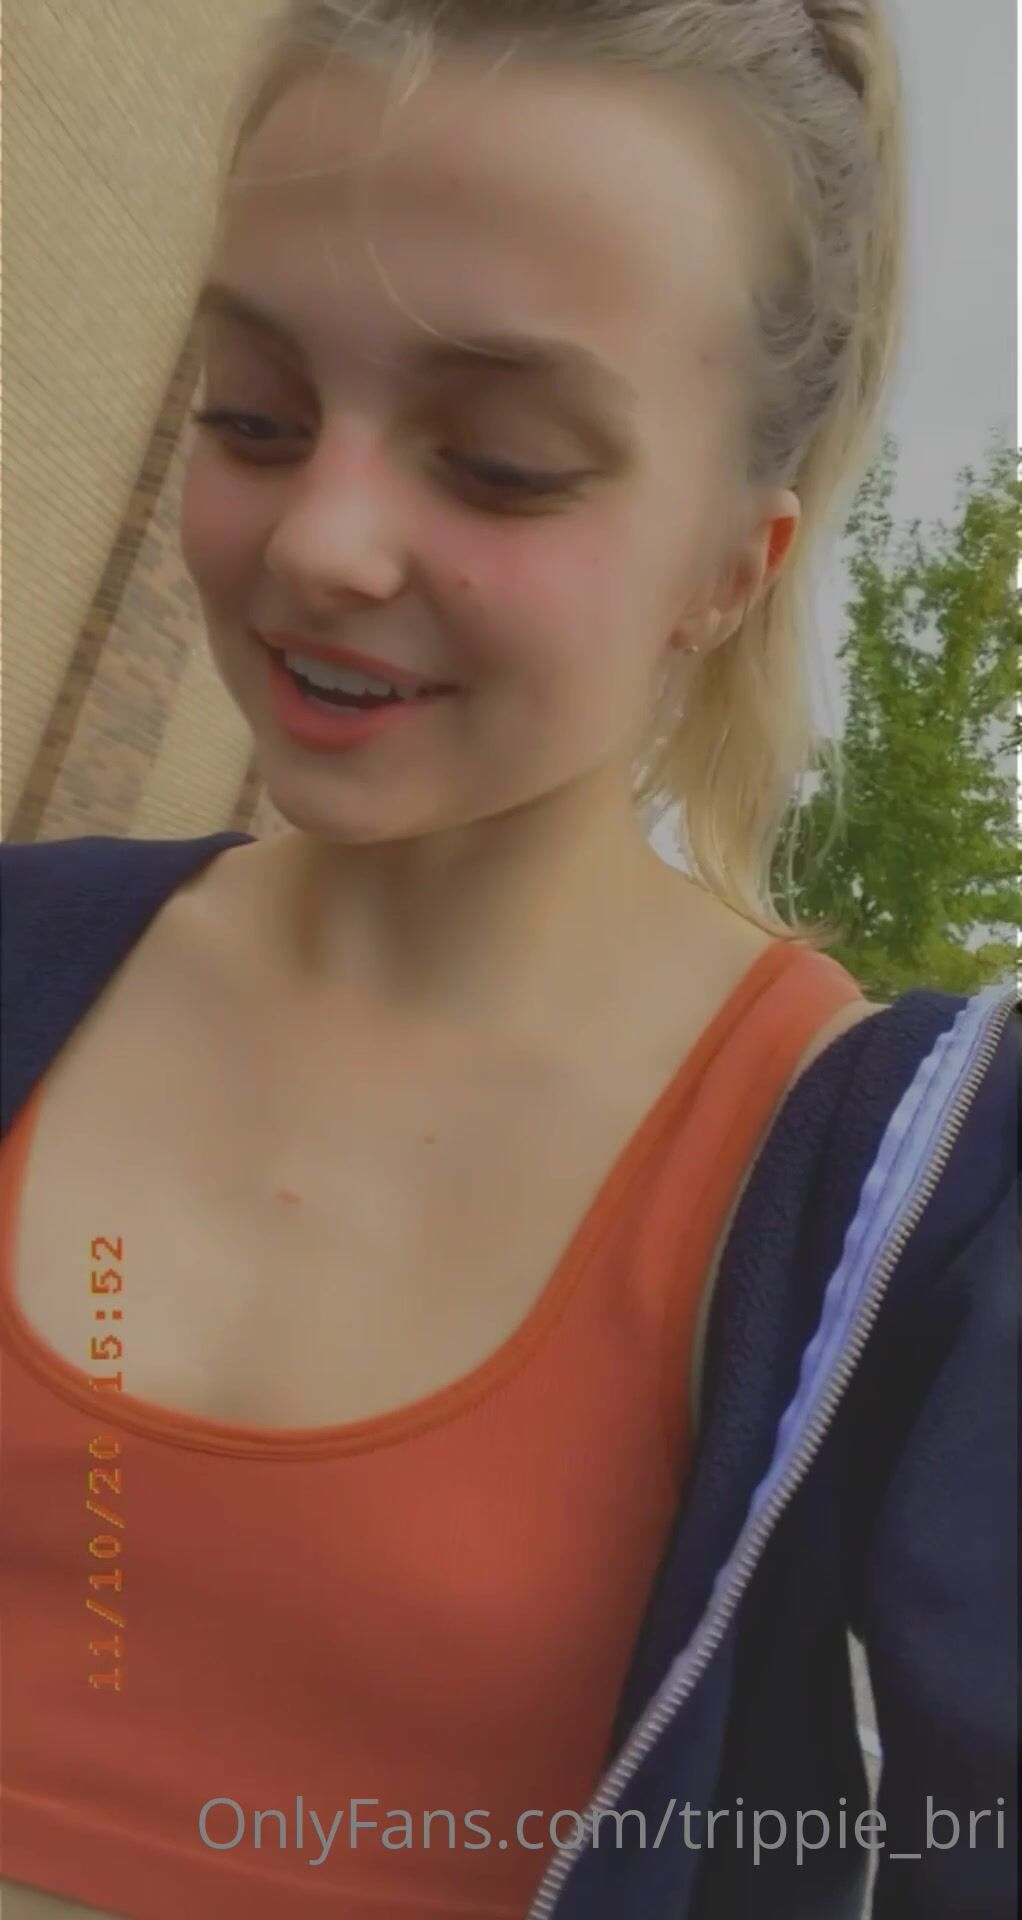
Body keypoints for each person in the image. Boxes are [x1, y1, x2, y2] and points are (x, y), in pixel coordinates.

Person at [0, 2, 1016, 1916]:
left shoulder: (890, 1208)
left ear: (732, 564)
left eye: (500, 463)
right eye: (254, 413)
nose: (323, 542)